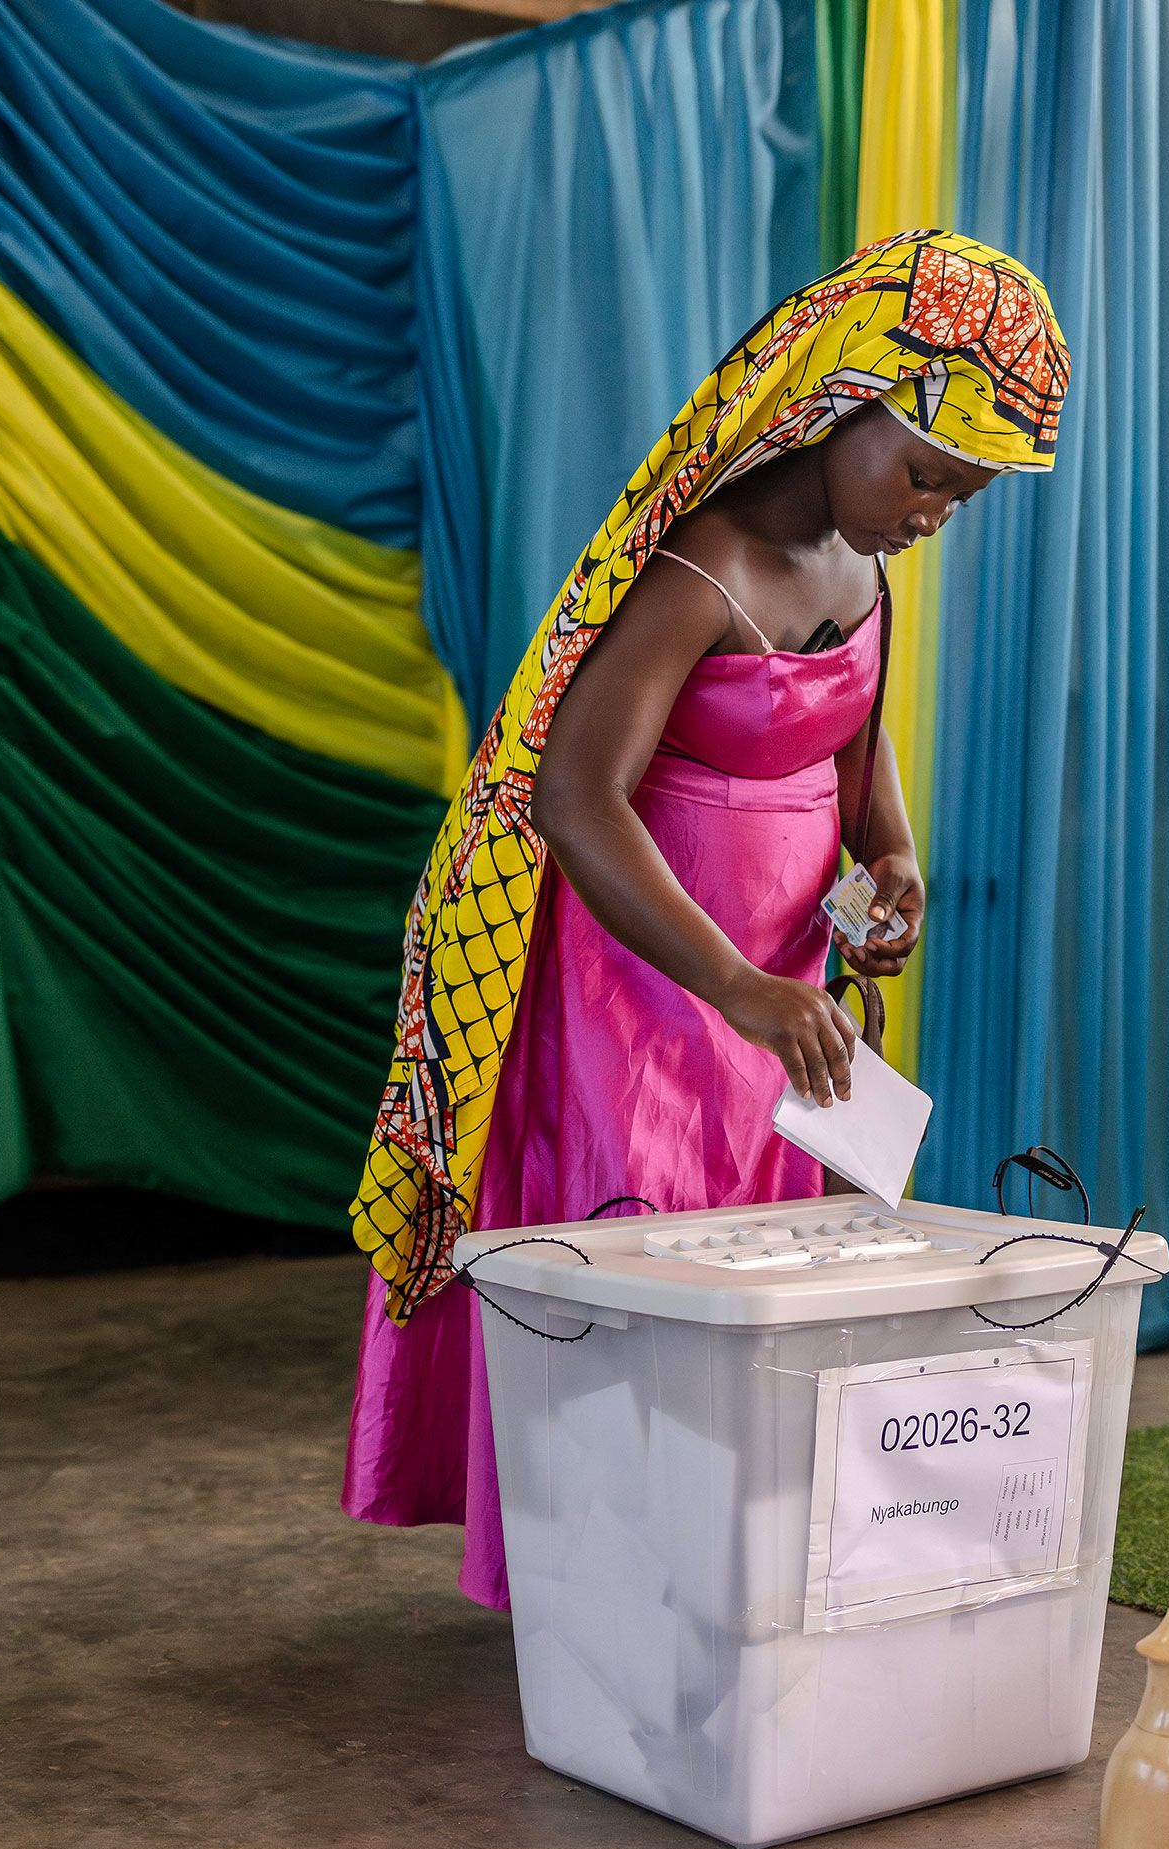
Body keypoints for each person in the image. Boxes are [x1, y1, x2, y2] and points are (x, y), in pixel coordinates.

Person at [343, 230, 1070, 1608]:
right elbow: (577, 796)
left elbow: (855, 743)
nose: (930, 511)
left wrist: (893, 854)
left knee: (771, 1266)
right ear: (841, 402)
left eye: (961, 498)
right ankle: (603, 1575)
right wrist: (733, 984)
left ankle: (723, 1565)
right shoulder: (704, 567)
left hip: (778, 987)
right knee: (649, 1255)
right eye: (924, 473)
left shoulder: (861, 567)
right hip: (654, 981)